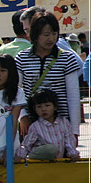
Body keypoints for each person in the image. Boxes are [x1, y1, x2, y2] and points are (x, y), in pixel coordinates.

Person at [15, 12, 81, 140]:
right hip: (31, 125)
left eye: (54, 34)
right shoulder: (22, 58)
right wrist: (22, 116)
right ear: (35, 35)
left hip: (61, 127)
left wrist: (74, 130)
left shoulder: (67, 58)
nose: (51, 38)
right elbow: (16, 90)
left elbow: (73, 96)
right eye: (46, 34)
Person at [16, 88, 79, 161]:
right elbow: (26, 144)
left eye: (47, 105)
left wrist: (73, 153)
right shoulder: (35, 126)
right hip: (40, 163)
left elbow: (69, 141)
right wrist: (19, 156)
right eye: (39, 106)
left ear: (55, 107)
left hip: (58, 162)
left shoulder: (64, 122)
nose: (43, 109)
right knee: (50, 149)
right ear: (34, 109)